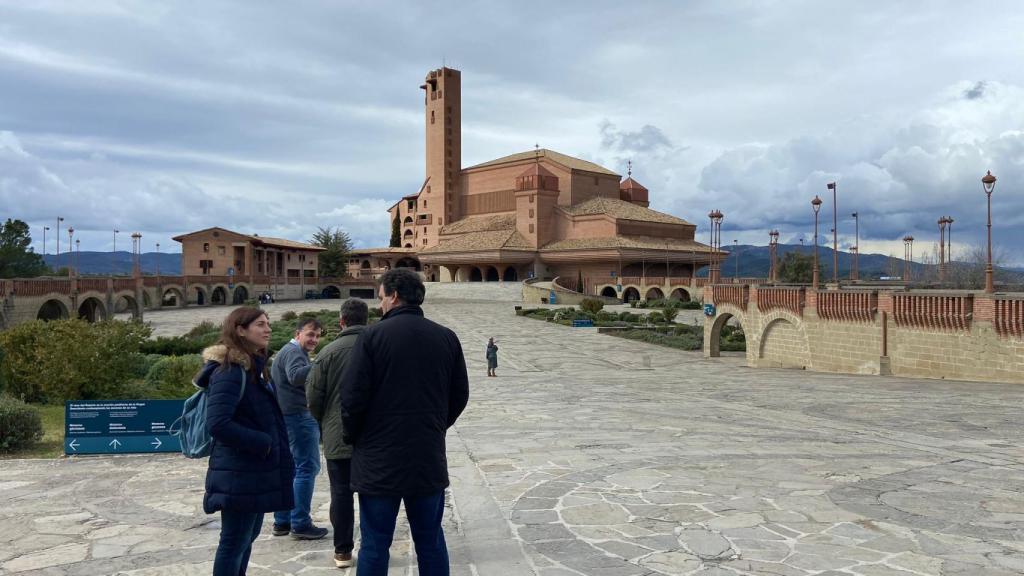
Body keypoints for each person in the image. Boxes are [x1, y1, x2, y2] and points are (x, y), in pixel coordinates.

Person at [341, 268, 469, 576]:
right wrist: (435, 426)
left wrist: (355, 436)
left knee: (374, 543)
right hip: (426, 456)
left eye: (382, 297)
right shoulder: (446, 337)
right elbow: (460, 395)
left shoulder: (371, 336)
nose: (381, 303)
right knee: (430, 540)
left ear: (394, 296)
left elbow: (352, 397)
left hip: (378, 459)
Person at [197, 307, 294, 576]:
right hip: (239, 473)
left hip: (252, 472)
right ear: (240, 329)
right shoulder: (230, 371)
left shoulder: (253, 367)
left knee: (245, 539)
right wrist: (263, 442)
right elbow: (217, 423)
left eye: (269, 323)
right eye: (260, 324)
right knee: (234, 542)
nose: (268, 329)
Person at [306, 299, 368, 569]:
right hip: (373, 437)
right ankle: (374, 547)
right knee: (373, 494)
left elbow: (313, 397)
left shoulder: (328, 352)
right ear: (366, 320)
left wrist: (325, 423)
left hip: (337, 435)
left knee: (341, 495)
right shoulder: (378, 347)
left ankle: (342, 551)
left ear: (341, 321)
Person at [271, 318, 328, 540]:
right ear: (298, 334)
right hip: (298, 417)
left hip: (289, 417)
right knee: (307, 468)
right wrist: (321, 363)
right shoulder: (294, 352)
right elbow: (295, 376)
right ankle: (300, 523)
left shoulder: (288, 351)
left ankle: (282, 520)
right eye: (310, 334)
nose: (314, 339)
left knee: (292, 469)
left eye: (317, 335)